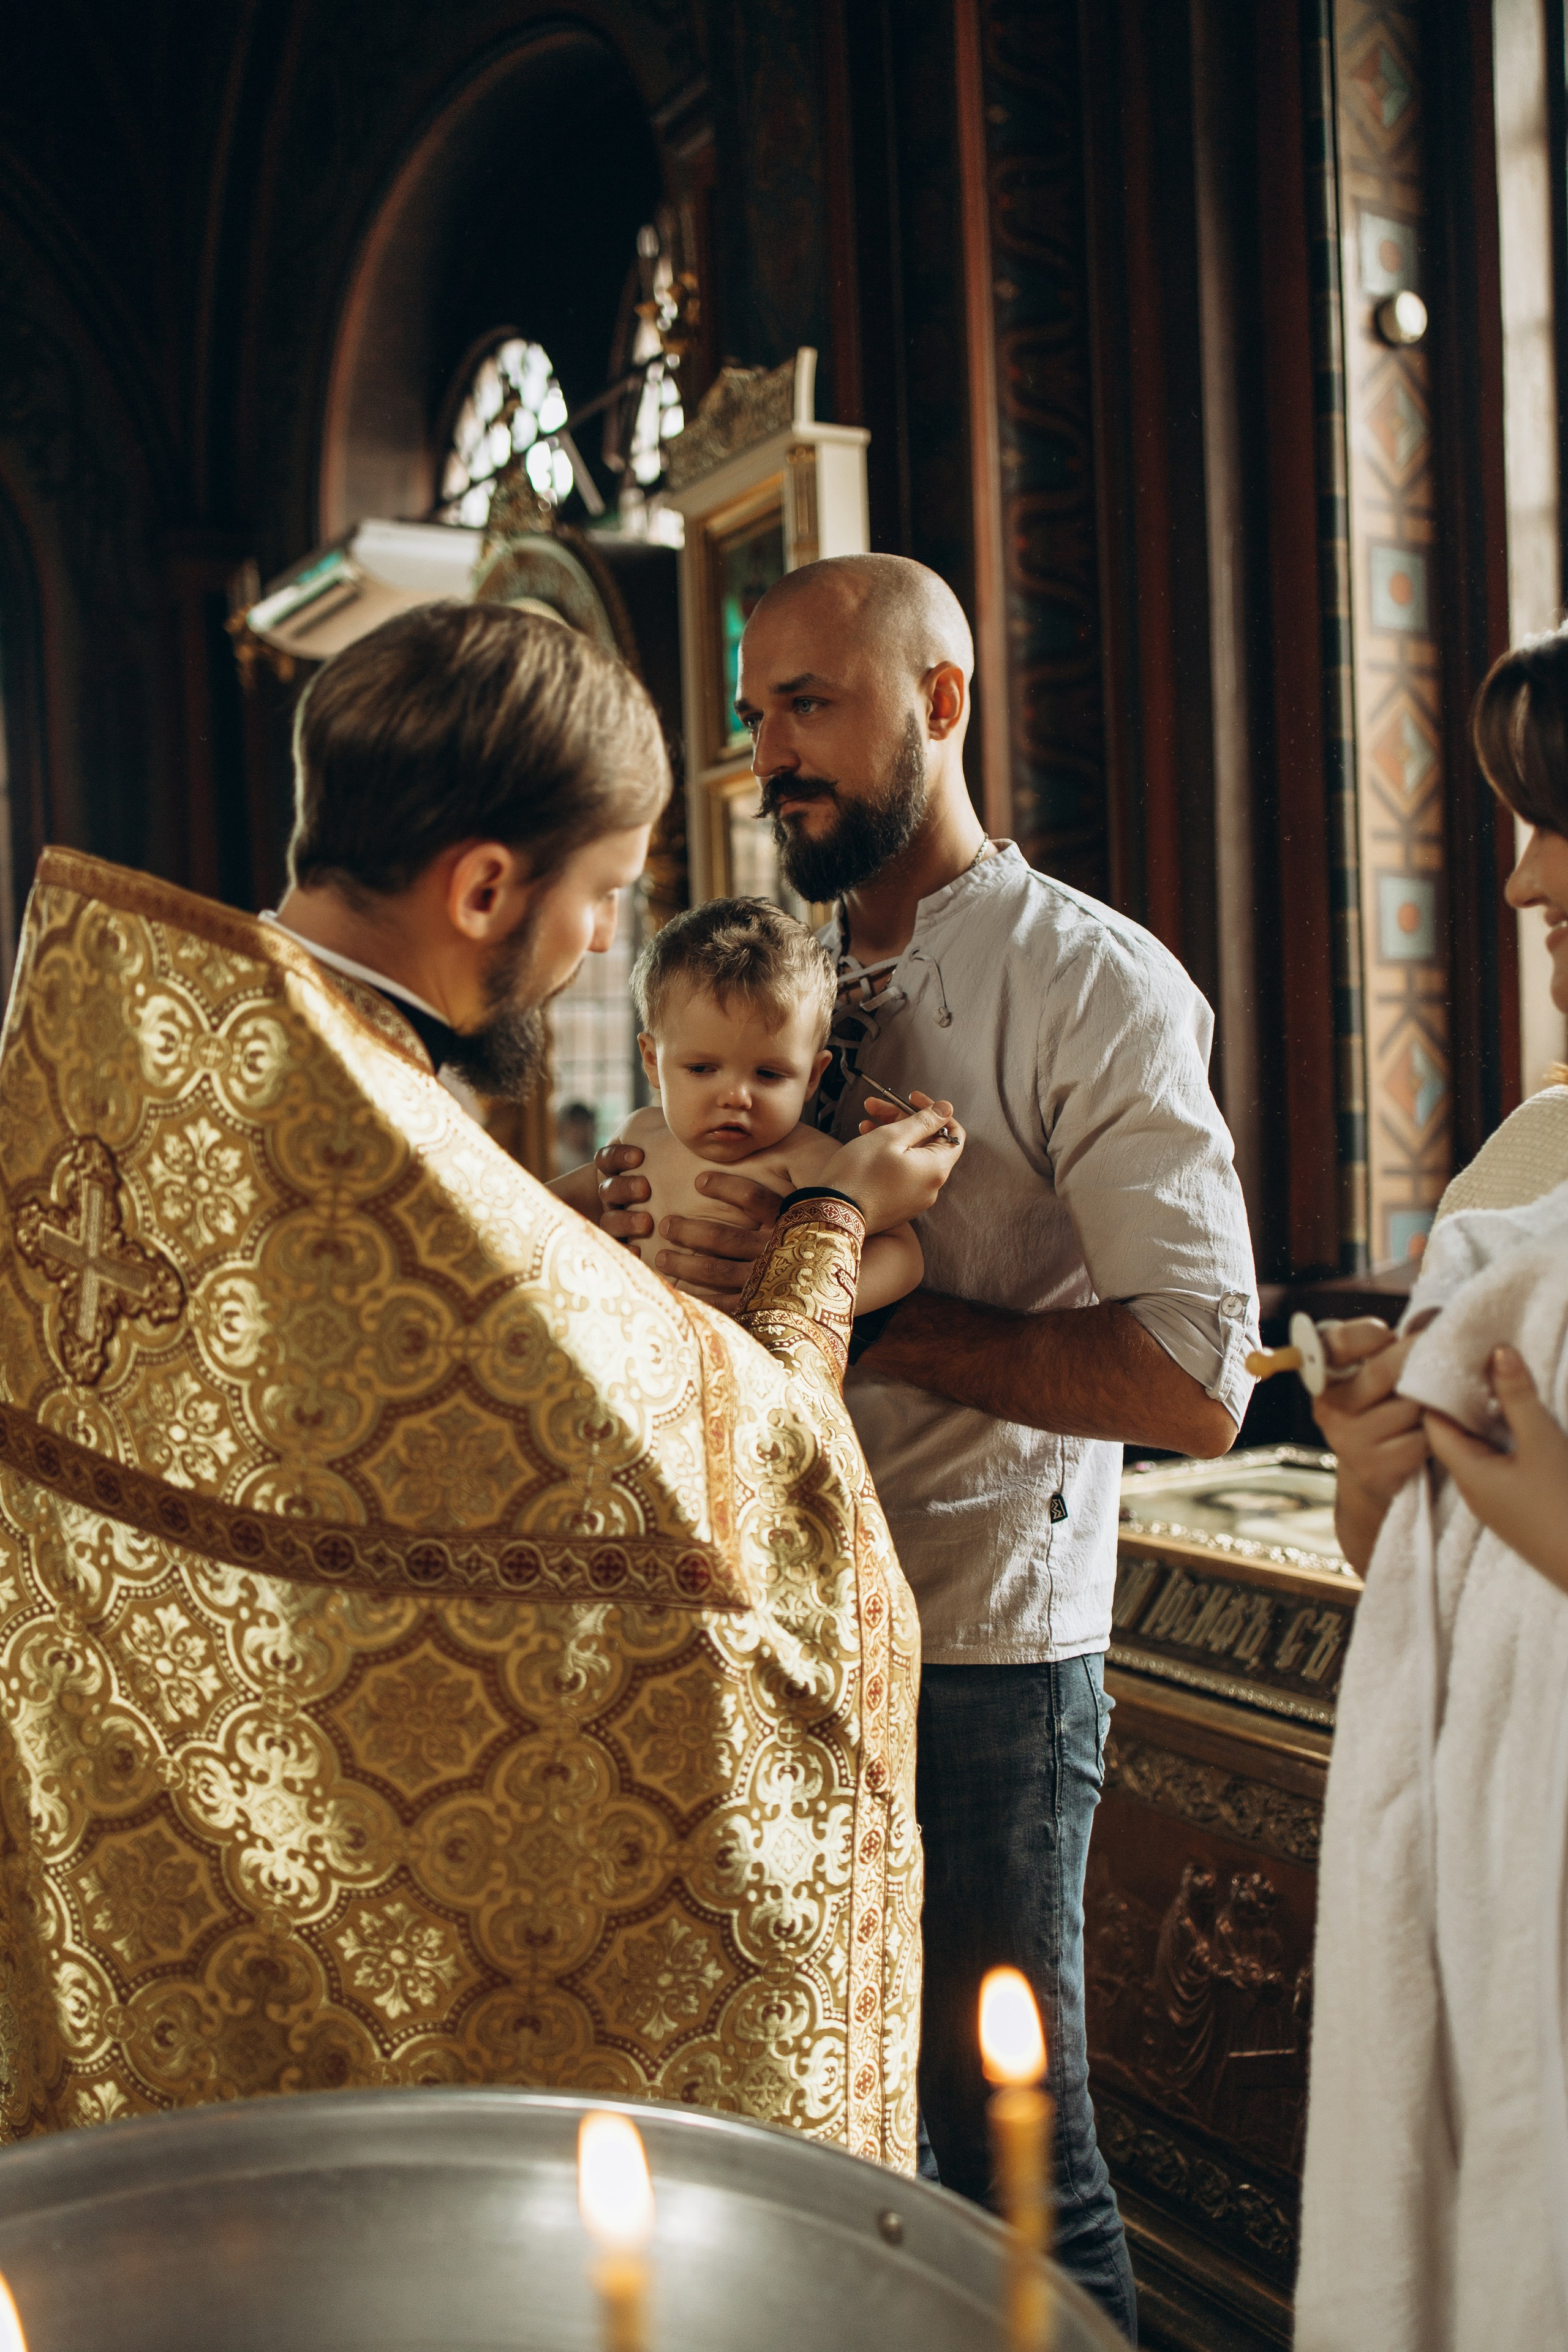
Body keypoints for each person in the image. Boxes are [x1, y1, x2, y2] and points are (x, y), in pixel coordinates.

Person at [0, 599, 964, 2160]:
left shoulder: (157, 1084)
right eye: (599, 895)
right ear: (485, 885)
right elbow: (768, 1497)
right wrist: (838, 1216)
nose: (596, 945)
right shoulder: (375, 1131)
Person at [597, 554, 1259, 2338]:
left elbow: (1201, 1375)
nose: (766, 759)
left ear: (941, 703)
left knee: (1011, 2153)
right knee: (822, 2128)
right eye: (752, 719)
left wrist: (875, 1309)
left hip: (976, 1658)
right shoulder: (758, 977)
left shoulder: (1090, 984)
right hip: (766, 1639)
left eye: (805, 706)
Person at [1295, 630, 1568, 2350]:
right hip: (1497, 1876)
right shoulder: (1530, 1164)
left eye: (1556, 819)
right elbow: (1412, 1568)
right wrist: (1379, 1476)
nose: (1527, 868)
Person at [550, 895, 926, 1313]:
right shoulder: (638, 1135)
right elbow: (551, 1204)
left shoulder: (808, 1159)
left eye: (769, 1074)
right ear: (654, 1062)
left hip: (751, 1365)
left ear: (812, 1077)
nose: (736, 1097)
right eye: (702, 1068)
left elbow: (902, 1255)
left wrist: (793, 1296)